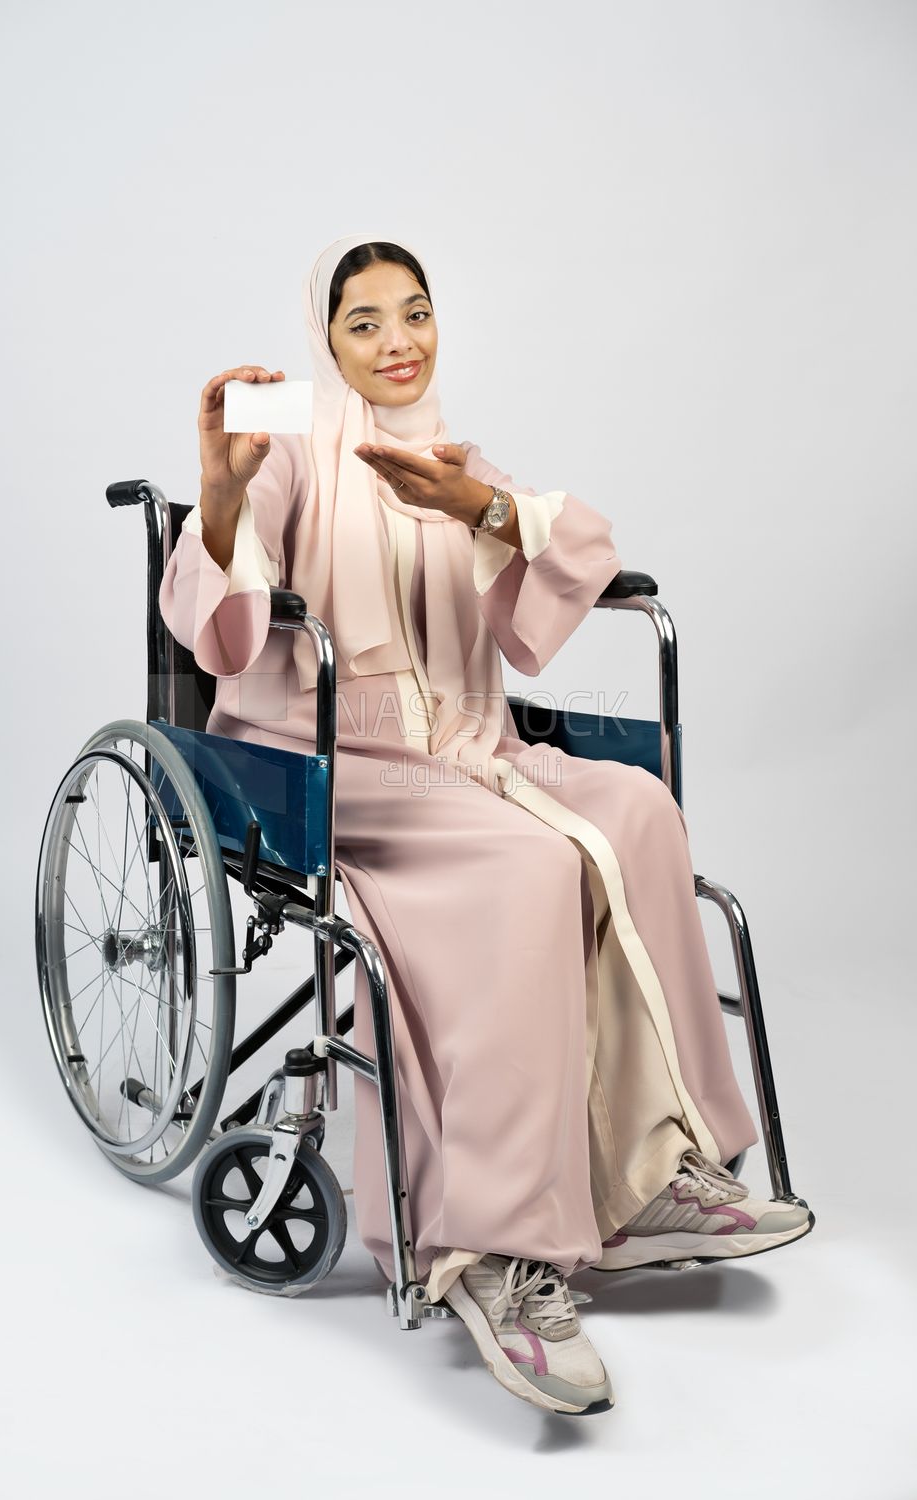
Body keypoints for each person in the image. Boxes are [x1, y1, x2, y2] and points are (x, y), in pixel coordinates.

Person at [159, 232, 814, 1417]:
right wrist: (216, 487)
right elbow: (223, 626)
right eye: (363, 323)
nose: (396, 342)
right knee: (522, 868)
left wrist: (486, 506)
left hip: (472, 749)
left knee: (636, 808)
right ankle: (498, 1249)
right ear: (326, 338)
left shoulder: (442, 455)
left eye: (413, 313)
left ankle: (657, 1170)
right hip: (330, 763)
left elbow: (562, 576)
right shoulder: (292, 446)